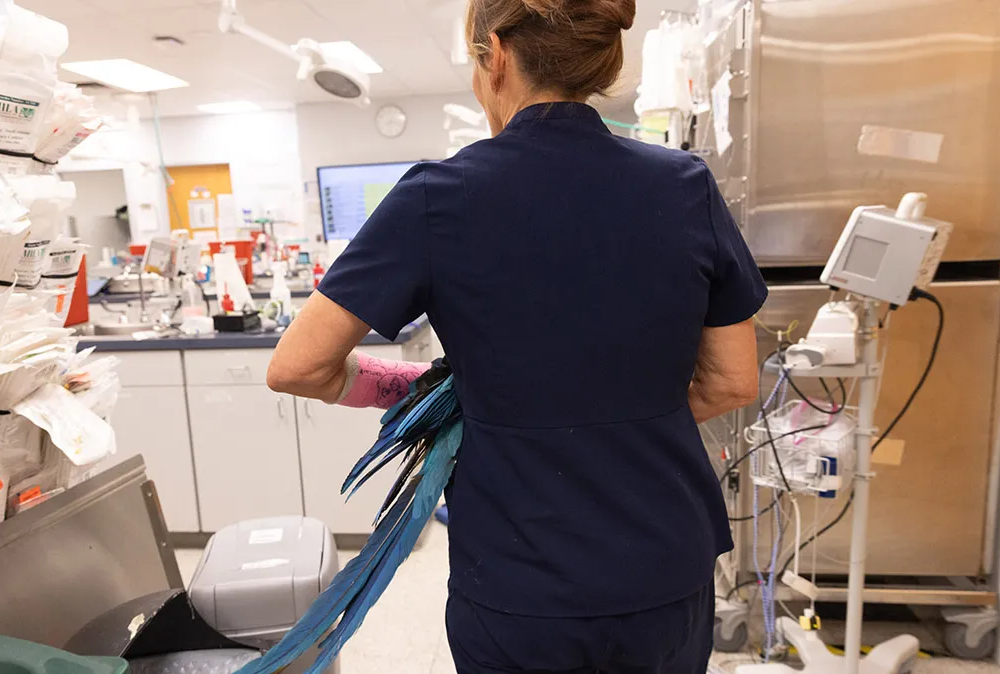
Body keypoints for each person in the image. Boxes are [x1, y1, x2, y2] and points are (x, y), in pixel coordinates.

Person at [266, 0, 767, 671]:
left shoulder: (436, 197)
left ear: (496, 56)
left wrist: (416, 394)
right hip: (663, 570)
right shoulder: (686, 186)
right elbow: (733, 381)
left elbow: (298, 366)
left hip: (521, 579)